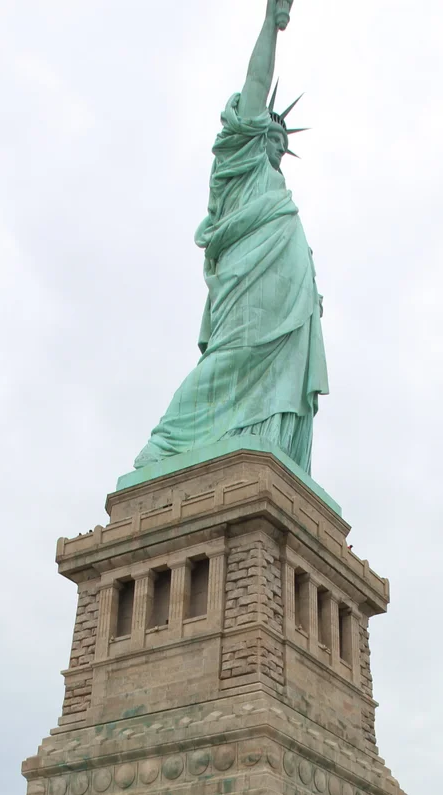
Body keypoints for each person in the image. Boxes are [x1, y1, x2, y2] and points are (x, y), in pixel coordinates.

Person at [133, 0, 328, 476]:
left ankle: (262, 441)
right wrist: (270, 23)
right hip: (247, 284)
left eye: (283, 143)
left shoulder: (279, 192)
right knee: (230, 357)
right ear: (250, 133)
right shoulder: (238, 168)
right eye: (269, 136)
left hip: (289, 298)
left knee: (277, 375)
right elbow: (257, 83)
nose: (277, 145)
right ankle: (167, 443)